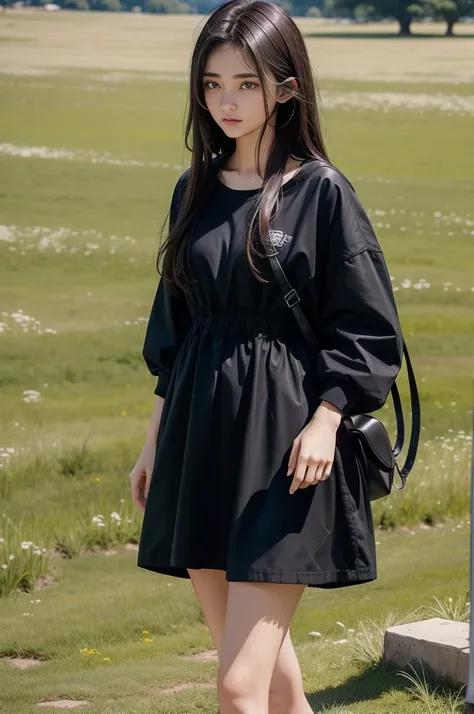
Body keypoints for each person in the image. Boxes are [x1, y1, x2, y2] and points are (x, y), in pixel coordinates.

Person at [129, 1, 404, 711]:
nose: (226, 100)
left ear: (285, 87)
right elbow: (175, 333)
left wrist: (327, 417)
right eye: (213, 83)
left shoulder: (321, 192)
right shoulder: (191, 192)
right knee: (273, 681)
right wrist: (152, 446)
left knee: (237, 686)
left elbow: (369, 329)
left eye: (246, 83)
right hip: (199, 442)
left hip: (286, 453)